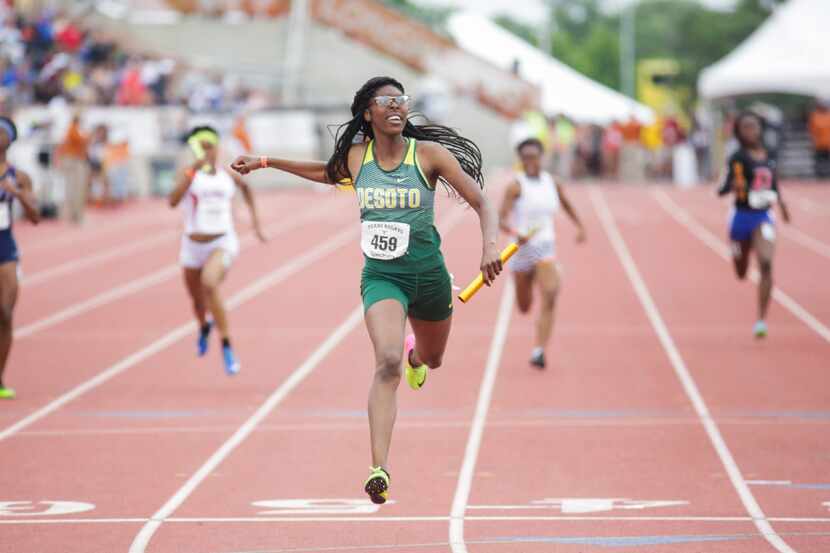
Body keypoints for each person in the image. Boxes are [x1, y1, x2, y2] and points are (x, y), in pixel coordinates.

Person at [230, 76, 503, 505]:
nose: (397, 107)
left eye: (402, 100)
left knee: (431, 359)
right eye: (386, 101)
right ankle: (379, 468)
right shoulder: (358, 158)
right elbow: (324, 172)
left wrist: (489, 247)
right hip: (382, 277)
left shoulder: (428, 155)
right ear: (367, 113)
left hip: (430, 277)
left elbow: (483, 202)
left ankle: (418, 356)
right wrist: (265, 161)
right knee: (386, 362)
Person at [169, 125, 266, 376]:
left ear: (217, 149)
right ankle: (203, 326)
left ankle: (226, 345)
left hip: (221, 242)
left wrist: (255, 223)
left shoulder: (226, 175)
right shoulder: (189, 174)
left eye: (209, 146)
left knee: (209, 283)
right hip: (192, 246)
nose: (206, 151)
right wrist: (192, 171)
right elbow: (172, 201)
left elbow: (247, 189)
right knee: (197, 301)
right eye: (200, 147)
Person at [499, 137, 585, 369]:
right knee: (525, 307)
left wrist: (580, 225)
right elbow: (500, 220)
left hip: (544, 245)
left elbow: (566, 204)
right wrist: (516, 232)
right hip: (521, 250)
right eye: (525, 157)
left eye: (533, 156)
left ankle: (539, 351)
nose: (530, 160)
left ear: (541, 157)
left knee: (550, 293)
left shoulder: (552, 183)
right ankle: (528, 281)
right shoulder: (515, 186)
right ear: (520, 159)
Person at [717, 112, 791, 338]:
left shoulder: (768, 155)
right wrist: (729, 186)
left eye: (755, 127)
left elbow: (773, 182)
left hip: (763, 217)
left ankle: (761, 320)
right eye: (747, 127)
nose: (752, 131)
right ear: (739, 131)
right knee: (741, 271)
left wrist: (783, 205)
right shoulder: (737, 157)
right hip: (741, 218)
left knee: (766, 263)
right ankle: (739, 251)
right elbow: (727, 184)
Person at [0, 116, 40, 399]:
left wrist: (18, 195)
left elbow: (35, 217)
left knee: (4, 313)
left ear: (10, 140)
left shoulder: (19, 176)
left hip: (5, 245)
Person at [808, 99, 830, 179]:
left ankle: (826, 174)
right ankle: (820, 175)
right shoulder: (815, 115)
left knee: (826, 160)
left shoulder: (827, 115)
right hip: (819, 144)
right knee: (819, 161)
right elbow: (812, 130)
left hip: (827, 143)